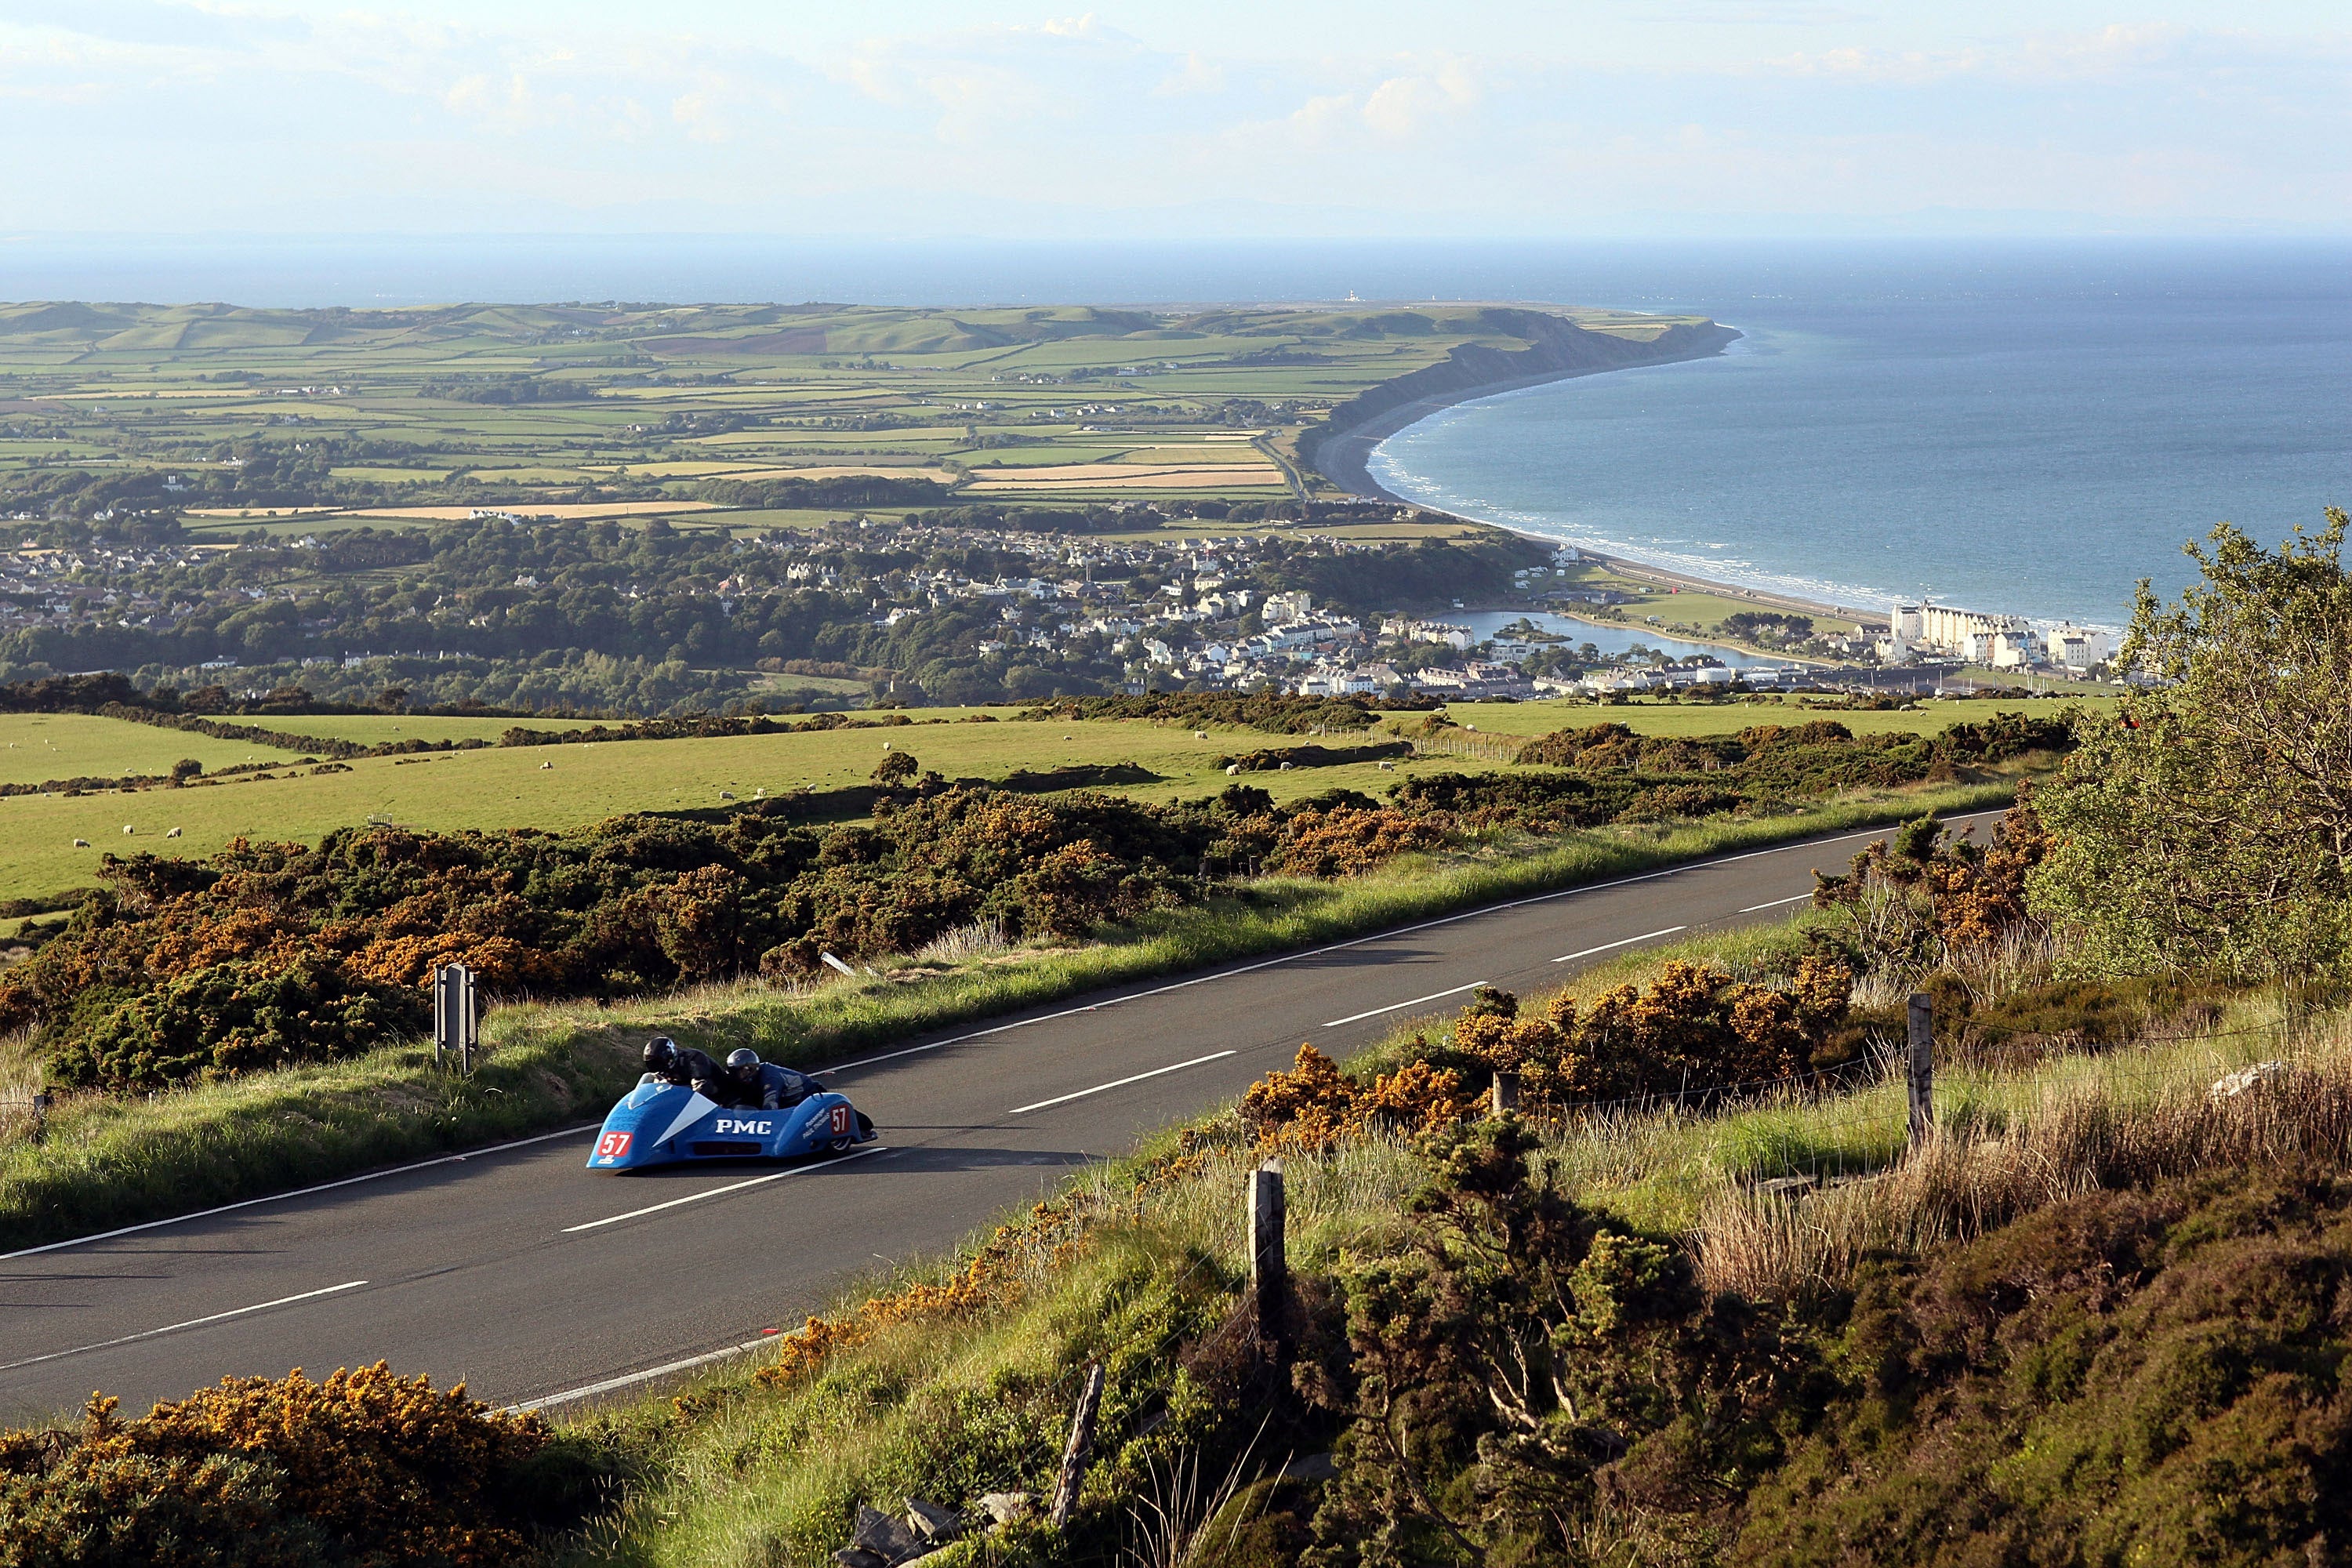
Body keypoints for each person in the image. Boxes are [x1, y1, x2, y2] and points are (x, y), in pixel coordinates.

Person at [720, 1047, 821, 1111]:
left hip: (808, 1096)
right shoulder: (736, 1078)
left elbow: (770, 1108)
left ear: (751, 1069)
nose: (737, 1076)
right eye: (733, 1072)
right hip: (785, 1101)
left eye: (740, 1072)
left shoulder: (770, 1079)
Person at [642, 1036, 724, 1098]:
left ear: (669, 1058)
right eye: (652, 1065)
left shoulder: (694, 1059)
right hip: (685, 1096)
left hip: (718, 1097)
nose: (656, 1068)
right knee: (649, 1078)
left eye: (658, 1063)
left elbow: (702, 1087)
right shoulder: (659, 1074)